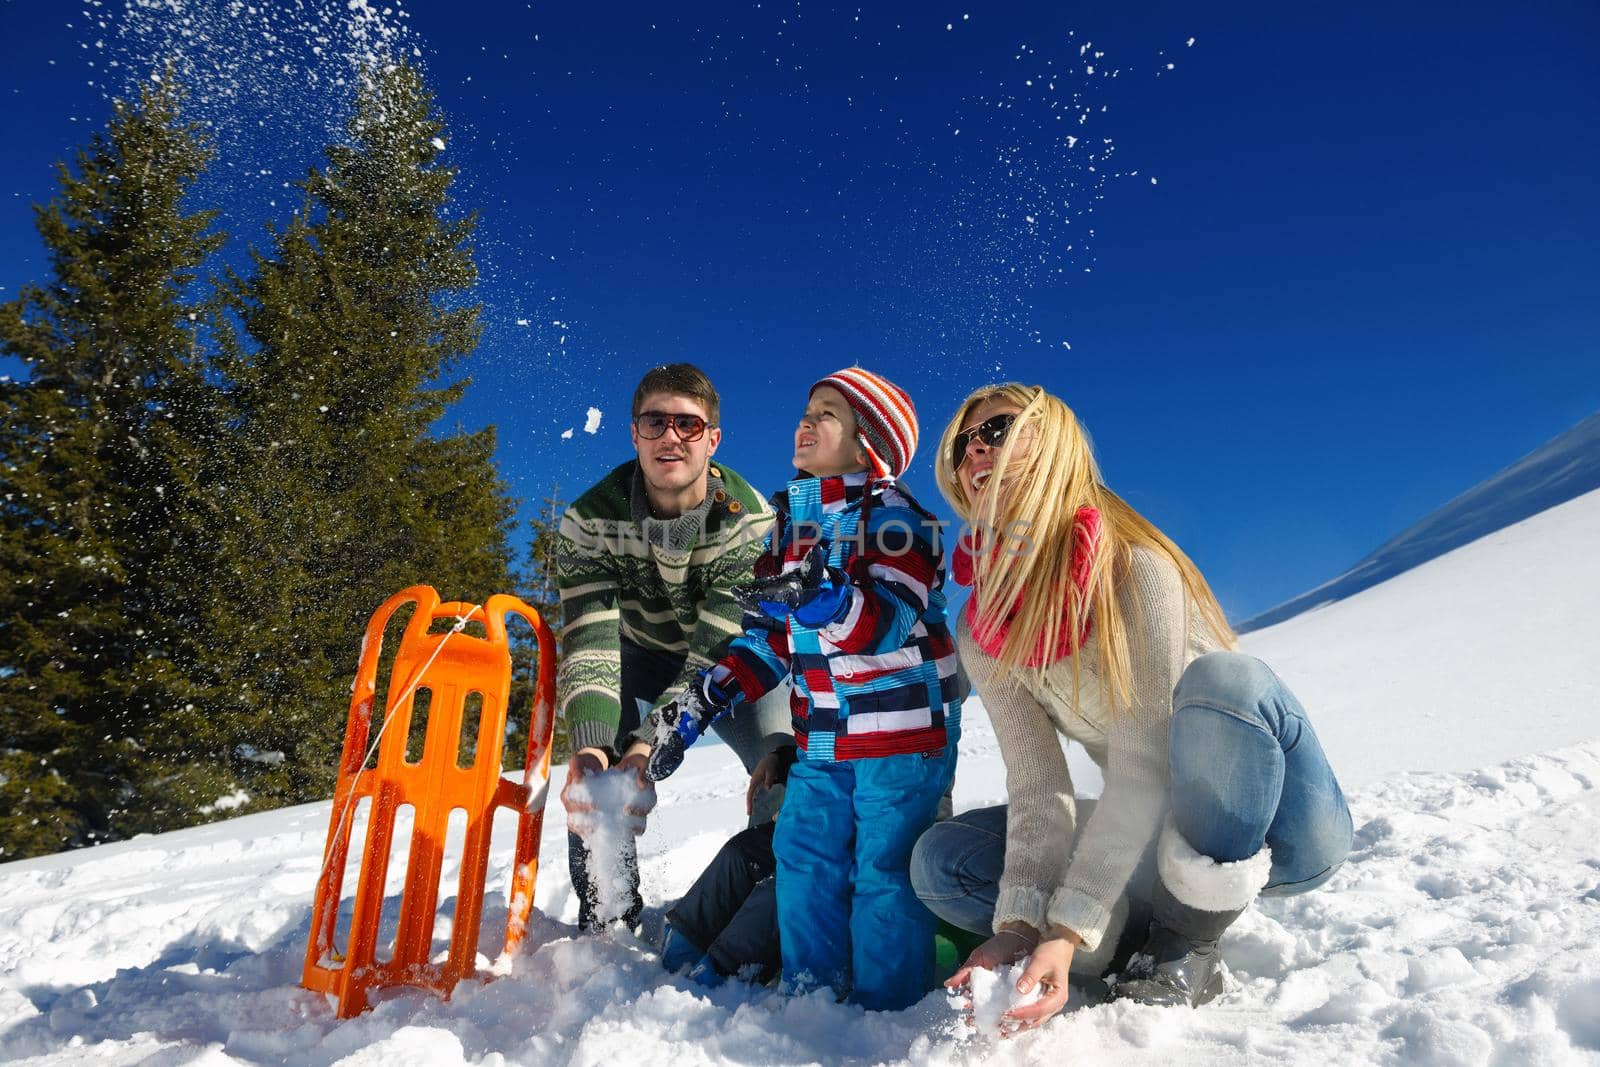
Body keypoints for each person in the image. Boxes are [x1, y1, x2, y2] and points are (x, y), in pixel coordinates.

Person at [910, 383, 1352, 1026]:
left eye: (999, 430)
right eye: (963, 445)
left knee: (1228, 682)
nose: (977, 448)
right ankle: (1126, 936)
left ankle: (1184, 945)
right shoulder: (984, 630)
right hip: (1151, 827)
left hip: (1273, 833)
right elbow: (1039, 786)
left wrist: (1064, 928)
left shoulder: (1136, 567)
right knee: (942, 861)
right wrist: (1026, 927)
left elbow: (1146, 762)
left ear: (1055, 443)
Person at [648, 367, 966, 1011]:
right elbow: (770, 639)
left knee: (883, 874)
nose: (805, 420)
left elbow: (886, 623)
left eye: (827, 413)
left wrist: (821, 600)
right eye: (807, 406)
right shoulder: (792, 529)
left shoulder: (901, 519)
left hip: (900, 740)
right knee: (802, 861)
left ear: (868, 443)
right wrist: (707, 698)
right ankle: (812, 1001)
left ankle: (884, 1010)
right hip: (822, 740)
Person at [555, 363, 793, 932]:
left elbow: (716, 652)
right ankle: (608, 923)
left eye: (688, 425)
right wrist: (595, 750)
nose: (670, 436)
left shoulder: (750, 522)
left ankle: (774, 918)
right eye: (655, 422)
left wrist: (649, 748)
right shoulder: (589, 519)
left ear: (713, 439)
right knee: (597, 784)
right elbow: (591, 639)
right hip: (637, 654)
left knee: (785, 767)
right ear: (633, 434)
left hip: (736, 663)